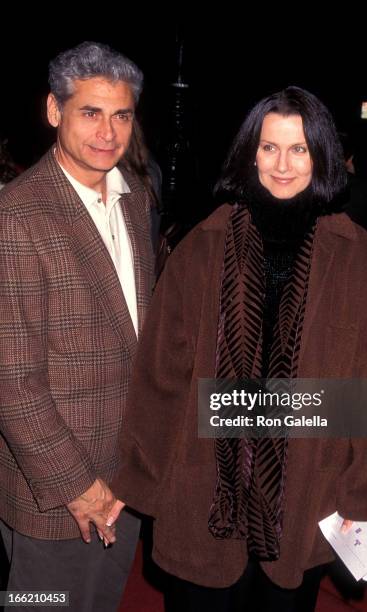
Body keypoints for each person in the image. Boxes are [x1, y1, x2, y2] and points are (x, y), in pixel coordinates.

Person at [109, 86, 367, 612]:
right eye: (269, 148)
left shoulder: (361, 263)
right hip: (202, 492)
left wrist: (363, 498)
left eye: (299, 149)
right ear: (250, 153)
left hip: (306, 490)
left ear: (322, 155)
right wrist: (138, 480)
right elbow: (159, 379)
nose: (282, 165)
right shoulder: (201, 247)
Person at [0, 41, 156, 611]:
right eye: (90, 112)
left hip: (125, 477)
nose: (108, 132)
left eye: (121, 114)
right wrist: (79, 487)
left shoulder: (133, 201)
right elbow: (12, 382)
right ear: (53, 111)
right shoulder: (17, 216)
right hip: (58, 495)